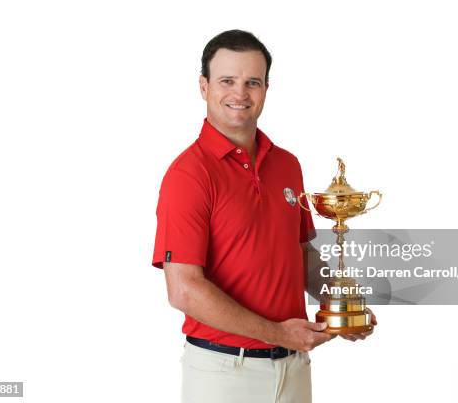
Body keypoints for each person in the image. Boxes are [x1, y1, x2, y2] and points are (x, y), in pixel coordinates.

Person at [152, 29, 375, 403]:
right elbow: (184, 290)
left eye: (252, 82)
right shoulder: (188, 175)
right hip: (223, 375)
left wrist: (340, 306)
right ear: (203, 86)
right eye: (227, 81)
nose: (240, 94)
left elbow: (300, 253)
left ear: (266, 89)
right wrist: (278, 333)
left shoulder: (287, 165)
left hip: (294, 367)